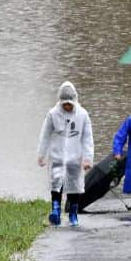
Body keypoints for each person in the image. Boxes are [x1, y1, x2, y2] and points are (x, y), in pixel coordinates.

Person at [37, 81, 94, 227]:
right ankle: (55, 210)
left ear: (75, 101)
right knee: (56, 184)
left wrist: (88, 158)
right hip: (57, 156)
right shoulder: (52, 115)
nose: (67, 106)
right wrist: (41, 154)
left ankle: (73, 213)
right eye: (65, 104)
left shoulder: (82, 115)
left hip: (75, 158)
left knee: (74, 187)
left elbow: (87, 138)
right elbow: (45, 135)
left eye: (70, 104)